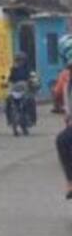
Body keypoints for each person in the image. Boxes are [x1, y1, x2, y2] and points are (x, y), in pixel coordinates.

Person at [55, 35, 72, 200]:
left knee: (63, 140)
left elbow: (57, 94)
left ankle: (70, 182)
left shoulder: (64, 76)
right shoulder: (67, 78)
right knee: (63, 140)